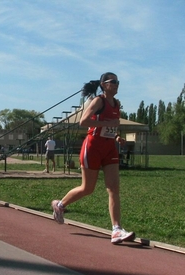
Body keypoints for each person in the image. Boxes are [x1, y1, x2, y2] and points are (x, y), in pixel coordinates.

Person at [51, 72, 135, 244]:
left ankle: (116, 230)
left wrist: (117, 136)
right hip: (93, 147)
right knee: (87, 188)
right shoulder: (99, 101)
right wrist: (107, 124)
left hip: (109, 148)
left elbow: (111, 125)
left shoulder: (116, 104)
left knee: (113, 188)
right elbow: (83, 121)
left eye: (118, 82)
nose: (116, 84)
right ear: (104, 85)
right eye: (113, 82)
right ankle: (60, 205)